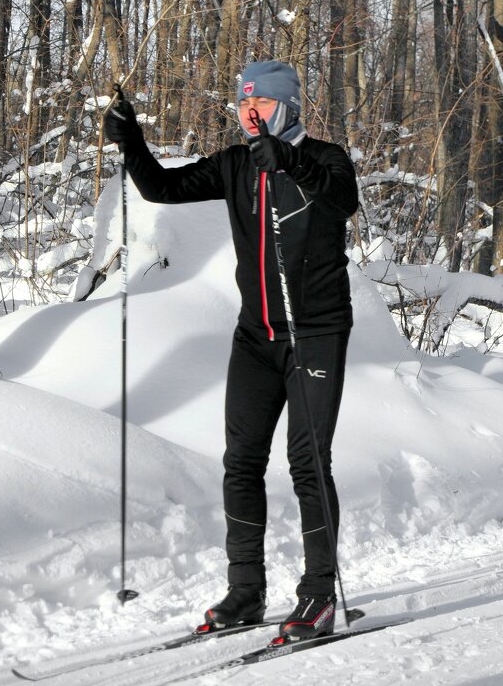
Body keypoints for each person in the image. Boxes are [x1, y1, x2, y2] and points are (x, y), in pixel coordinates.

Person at [103, 61, 359, 641]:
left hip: (315, 332)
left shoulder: (327, 157)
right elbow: (162, 189)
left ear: (287, 107)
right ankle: (246, 590)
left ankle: (318, 595)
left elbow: (342, 201)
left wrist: (289, 160)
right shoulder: (235, 164)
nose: (250, 116)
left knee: (307, 463)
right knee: (241, 462)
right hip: (257, 336)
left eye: (261, 106)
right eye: (243, 106)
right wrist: (132, 139)